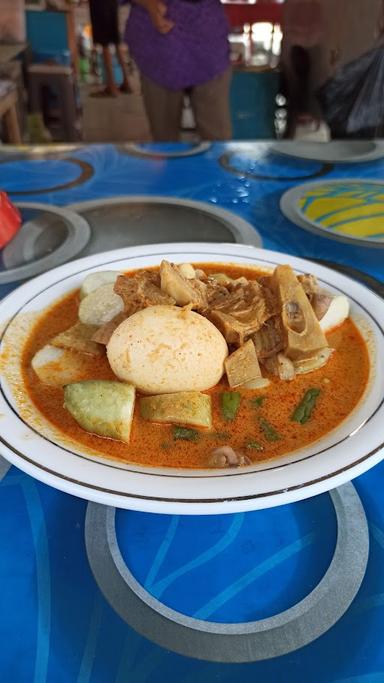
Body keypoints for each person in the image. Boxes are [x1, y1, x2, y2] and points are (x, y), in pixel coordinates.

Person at [124, 0, 232, 141]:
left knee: (217, 141)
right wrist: (149, 3)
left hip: (207, 44)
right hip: (156, 48)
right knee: (165, 144)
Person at [89, 0, 132, 97]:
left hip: (100, 4)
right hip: (112, 3)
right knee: (116, 40)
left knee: (104, 42)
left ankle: (112, 87)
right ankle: (126, 82)